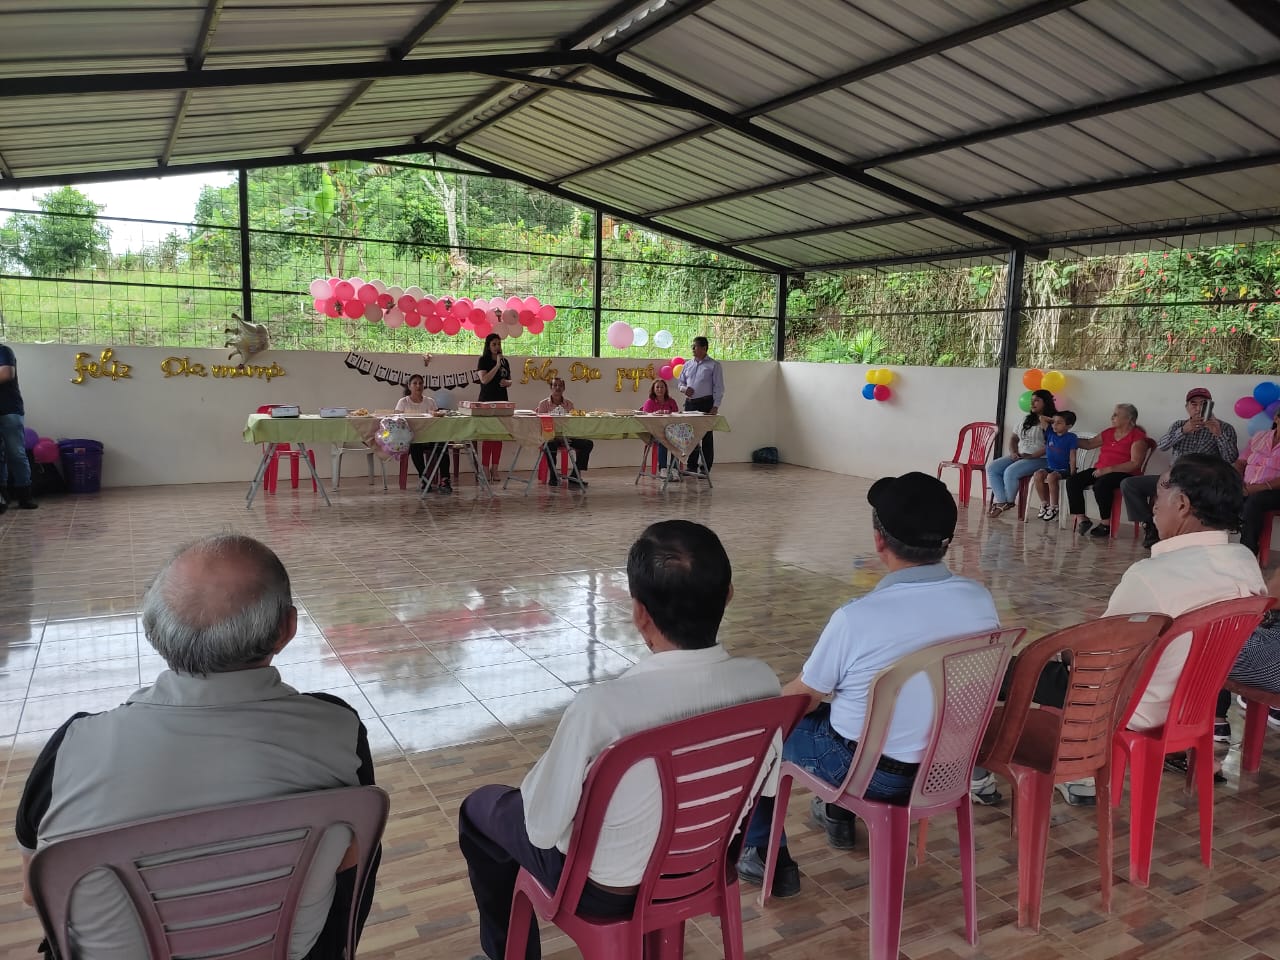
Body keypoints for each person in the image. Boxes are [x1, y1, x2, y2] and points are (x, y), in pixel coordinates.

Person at [15, 534, 379, 960]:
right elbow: (349, 858)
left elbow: (35, 892)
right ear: (287, 629)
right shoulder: (338, 730)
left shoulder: (71, 751)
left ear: (153, 628)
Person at [458, 520, 780, 960]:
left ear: (639, 613)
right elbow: (767, 787)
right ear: (728, 596)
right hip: (703, 867)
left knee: (481, 810)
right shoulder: (763, 683)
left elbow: (542, 827)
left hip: (604, 892)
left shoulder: (603, 708)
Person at [734, 472, 1000, 896]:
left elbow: (802, 696)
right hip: (948, 767)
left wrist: (755, 717)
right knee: (850, 713)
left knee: (767, 733)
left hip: (871, 774)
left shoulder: (857, 618)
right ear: (947, 542)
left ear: (879, 541)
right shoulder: (979, 599)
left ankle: (765, 853)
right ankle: (836, 815)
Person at [1049, 455, 1266, 804]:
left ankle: (1078, 770)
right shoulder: (1244, 560)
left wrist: (1065, 651)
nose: (1153, 504)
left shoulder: (1152, 576)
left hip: (1137, 709)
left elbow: (1097, 658)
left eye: (1160, 492)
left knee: (1036, 672)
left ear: (1182, 504)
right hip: (1195, 708)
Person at [1121, 387, 1238, 549]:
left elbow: (1231, 458)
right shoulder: (1179, 425)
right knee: (1129, 484)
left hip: (1202, 481)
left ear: (1211, 407)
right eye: (1193, 404)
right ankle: (1150, 524)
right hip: (1174, 477)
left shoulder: (1224, 428)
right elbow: (1162, 445)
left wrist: (1218, 434)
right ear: (1187, 407)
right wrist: (1183, 431)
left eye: (1203, 404)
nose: (1198, 408)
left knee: (1194, 495)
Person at [1066, 403, 1148, 538]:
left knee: (1101, 484)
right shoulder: (1109, 432)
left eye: (1116, 415)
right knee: (1073, 481)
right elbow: (1089, 444)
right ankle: (1082, 519)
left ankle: (1105, 524)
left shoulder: (1137, 437)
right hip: (1101, 469)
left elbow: (1135, 463)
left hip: (1125, 473)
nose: (1112, 417)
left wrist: (1109, 469)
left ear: (1129, 418)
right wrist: (1067, 438)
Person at [986, 389, 1055, 516]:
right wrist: (1013, 452)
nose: (1032, 403)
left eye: (1036, 400)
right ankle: (1003, 501)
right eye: (1031, 401)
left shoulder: (1052, 421)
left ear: (1046, 402)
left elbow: (1052, 444)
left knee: (1010, 471)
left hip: (1042, 459)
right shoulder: (1026, 420)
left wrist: (1031, 456)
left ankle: (1008, 501)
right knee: (993, 467)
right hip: (1022, 456)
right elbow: (1013, 438)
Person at [1235, 404, 1280, 555]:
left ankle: (1247, 552)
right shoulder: (1260, 436)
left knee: (1255, 500)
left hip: (1274, 490)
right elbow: (1241, 462)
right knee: (1219, 492)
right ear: (1277, 418)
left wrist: (1259, 487)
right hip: (1247, 487)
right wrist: (1239, 482)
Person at [395, 373, 451, 493]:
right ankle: (425, 478)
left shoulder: (430, 401)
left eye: (420, 383)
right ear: (409, 386)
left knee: (443, 444)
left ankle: (445, 480)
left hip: (430, 437)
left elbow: (437, 421)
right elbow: (397, 422)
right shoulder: (403, 402)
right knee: (415, 446)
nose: (418, 386)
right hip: (413, 438)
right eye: (415, 383)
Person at [676, 336, 724, 473]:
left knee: (706, 436)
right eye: (692, 346)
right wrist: (685, 389)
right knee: (690, 435)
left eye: (695, 346)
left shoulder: (714, 365)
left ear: (704, 348)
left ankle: (706, 467)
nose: (692, 349)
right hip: (690, 404)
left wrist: (715, 406)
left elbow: (719, 387)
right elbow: (680, 383)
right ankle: (691, 466)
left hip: (706, 403)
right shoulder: (687, 364)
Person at [533, 377, 593, 487]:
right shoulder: (543, 404)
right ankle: (553, 476)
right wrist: (557, 436)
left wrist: (567, 436)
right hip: (550, 436)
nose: (557, 388)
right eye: (555, 385)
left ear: (564, 388)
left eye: (560, 385)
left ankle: (575, 475)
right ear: (551, 387)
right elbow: (541, 424)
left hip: (567, 436)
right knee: (550, 444)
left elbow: (572, 424)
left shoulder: (569, 404)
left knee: (588, 444)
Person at [0, 341, 37, 511]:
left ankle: (24, 495)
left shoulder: (3, 350)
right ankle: (3, 496)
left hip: (9, 410)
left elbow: (6, 373)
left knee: (15, 453)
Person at [476, 333, 512, 483]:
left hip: (502, 401)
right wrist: (496, 366)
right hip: (487, 401)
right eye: (494, 344)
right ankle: (485, 468)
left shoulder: (505, 361)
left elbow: (509, 380)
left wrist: (507, 383)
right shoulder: (483, 360)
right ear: (488, 346)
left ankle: (495, 468)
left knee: (498, 436)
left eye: (499, 344)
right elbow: (484, 380)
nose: (497, 347)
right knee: (488, 436)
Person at [1032, 410, 1078, 521]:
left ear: (1069, 426)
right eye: (1054, 422)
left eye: (1059, 423)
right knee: (1038, 474)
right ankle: (1044, 503)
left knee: (1051, 477)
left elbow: (1072, 456)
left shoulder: (1071, 437)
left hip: (1064, 469)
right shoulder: (1050, 433)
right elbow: (1041, 418)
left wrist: (1073, 472)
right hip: (1051, 467)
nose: (1055, 425)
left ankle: (1054, 506)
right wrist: (1054, 420)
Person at [640, 378, 680, 479]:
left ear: (666, 389)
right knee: (663, 439)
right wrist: (655, 414)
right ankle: (663, 469)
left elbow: (677, 416)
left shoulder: (671, 401)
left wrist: (669, 414)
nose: (660, 389)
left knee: (678, 440)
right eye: (657, 387)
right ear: (653, 389)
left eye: (662, 387)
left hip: (670, 430)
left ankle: (674, 469)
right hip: (654, 432)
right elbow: (646, 419)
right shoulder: (649, 402)